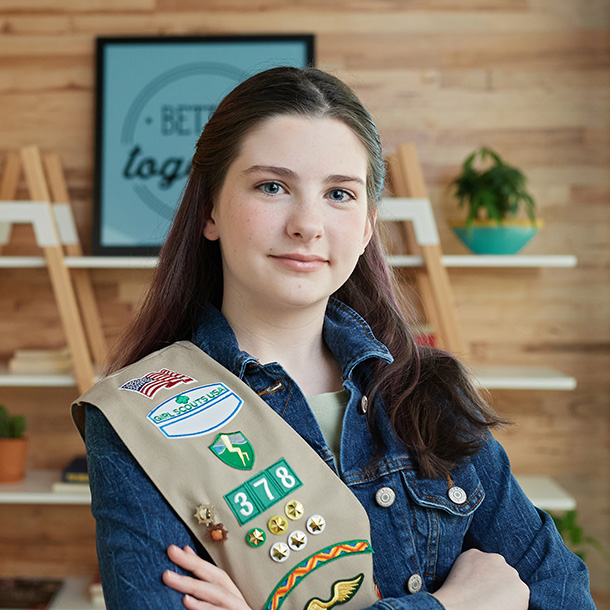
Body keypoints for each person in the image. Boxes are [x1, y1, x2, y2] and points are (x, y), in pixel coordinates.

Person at [74, 67, 595, 610]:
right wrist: (454, 605)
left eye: (339, 193)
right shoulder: (138, 420)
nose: (307, 223)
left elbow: (565, 597)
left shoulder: (428, 395)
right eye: (272, 186)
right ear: (210, 209)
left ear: (368, 225)